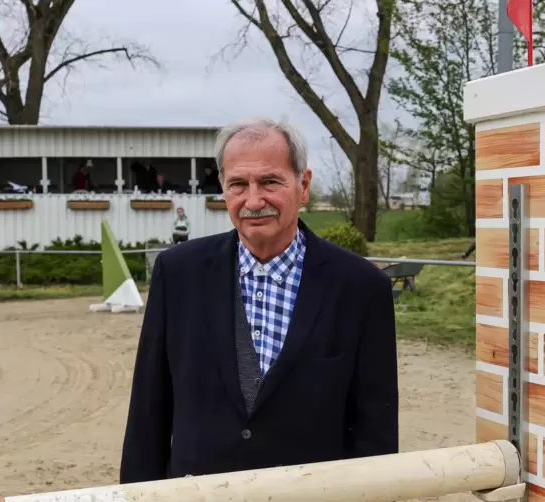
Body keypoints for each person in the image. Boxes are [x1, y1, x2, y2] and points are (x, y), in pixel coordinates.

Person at [119, 117, 398, 484]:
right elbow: (148, 411)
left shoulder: (363, 287)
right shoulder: (177, 274)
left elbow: (374, 431)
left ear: (303, 185)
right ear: (223, 187)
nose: (254, 200)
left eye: (269, 181)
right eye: (238, 184)